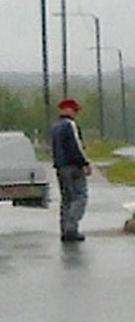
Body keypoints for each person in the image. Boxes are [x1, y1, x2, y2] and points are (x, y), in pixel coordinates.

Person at [50, 97, 92, 242]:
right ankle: (71, 228)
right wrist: (84, 163)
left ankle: (64, 228)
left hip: (60, 166)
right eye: (75, 110)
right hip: (73, 166)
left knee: (66, 199)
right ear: (68, 109)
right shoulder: (70, 125)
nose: (76, 113)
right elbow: (76, 146)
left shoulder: (55, 126)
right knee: (79, 197)